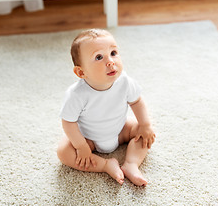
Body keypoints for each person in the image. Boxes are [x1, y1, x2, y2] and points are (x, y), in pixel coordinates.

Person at [57, 29, 155, 186]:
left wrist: (145, 124)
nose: (110, 61)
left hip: (121, 130)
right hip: (89, 138)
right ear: (81, 72)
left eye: (113, 53)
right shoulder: (77, 94)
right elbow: (68, 122)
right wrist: (81, 146)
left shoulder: (124, 81)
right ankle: (105, 165)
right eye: (99, 57)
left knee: (145, 133)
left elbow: (136, 102)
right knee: (63, 152)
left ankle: (131, 164)